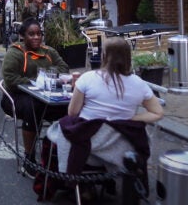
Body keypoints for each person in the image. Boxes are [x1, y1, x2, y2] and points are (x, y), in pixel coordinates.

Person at [45, 37, 163, 196]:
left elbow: (72, 112)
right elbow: (157, 113)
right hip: (119, 147)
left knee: (59, 128)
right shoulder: (139, 84)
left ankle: (73, 185)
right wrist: (130, 120)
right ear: (128, 56)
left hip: (86, 143)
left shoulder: (88, 78)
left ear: (104, 56)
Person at [0, 17, 70, 176]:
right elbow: (10, 79)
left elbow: (64, 68)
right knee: (33, 107)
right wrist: (37, 81)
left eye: (39, 34)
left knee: (70, 106)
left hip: (46, 97)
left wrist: (46, 79)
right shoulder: (15, 52)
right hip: (15, 97)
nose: (36, 37)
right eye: (31, 34)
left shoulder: (49, 51)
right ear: (23, 36)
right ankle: (29, 159)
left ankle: (61, 152)